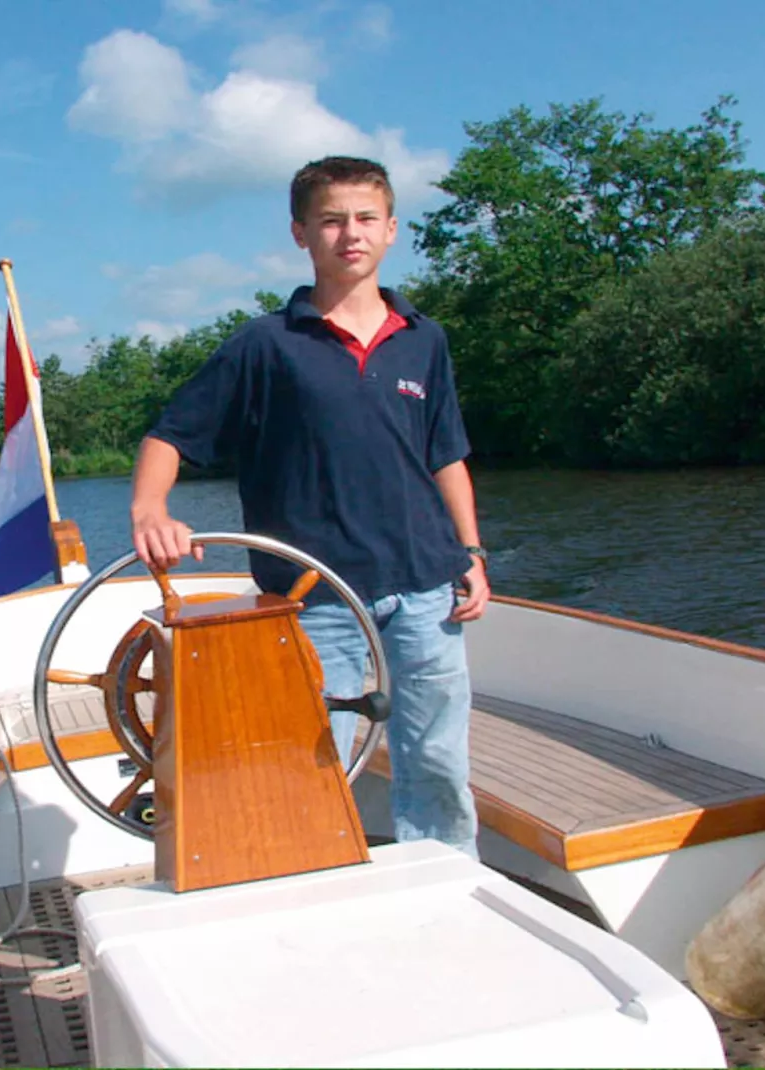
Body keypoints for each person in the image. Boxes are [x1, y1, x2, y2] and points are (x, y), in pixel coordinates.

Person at [129, 155, 487, 856]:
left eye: (365, 218)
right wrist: (150, 510)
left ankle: (449, 875)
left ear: (391, 229)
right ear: (301, 234)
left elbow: (447, 455)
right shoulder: (265, 345)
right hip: (314, 595)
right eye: (331, 220)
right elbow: (169, 436)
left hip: (426, 586)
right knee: (313, 763)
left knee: (439, 762)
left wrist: (470, 551)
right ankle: (320, 881)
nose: (350, 233)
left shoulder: (426, 339)